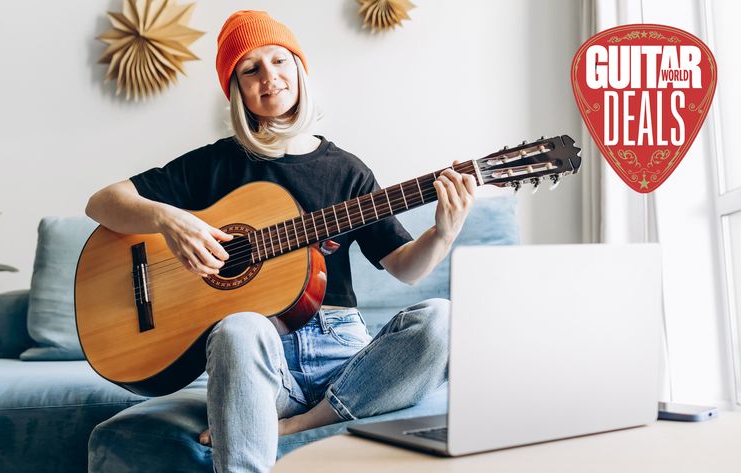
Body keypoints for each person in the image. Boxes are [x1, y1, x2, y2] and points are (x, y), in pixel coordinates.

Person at [85, 10, 476, 473]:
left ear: (299, 69)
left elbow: (405, 268)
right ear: (237, 91)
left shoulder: (346, 171)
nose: (269, 77)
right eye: (250, 69)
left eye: (279, 61)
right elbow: (102, 202)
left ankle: (306, 419)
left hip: (345, 354)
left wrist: (444, 232)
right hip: (260, 359)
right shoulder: (216, 165)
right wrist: (169, 219)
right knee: (237, 326)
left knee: (444, 320)